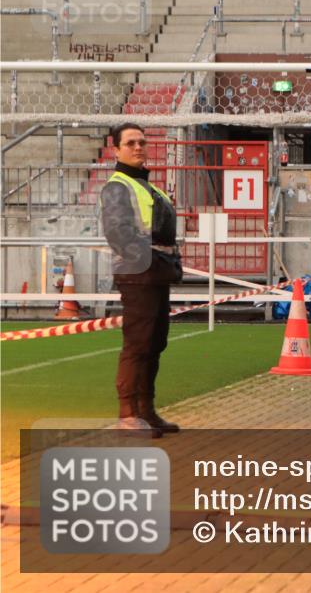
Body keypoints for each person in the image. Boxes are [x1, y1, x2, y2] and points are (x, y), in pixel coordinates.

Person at [100, 123, 182, 437]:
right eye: (131, 143)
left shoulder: (148, 186)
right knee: (138, 345)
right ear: (116, 149)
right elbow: (118, 233)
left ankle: (146, 411)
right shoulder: (118, 186)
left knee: (154, 343)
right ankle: (129, 414)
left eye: (142, 142)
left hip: (153, 272)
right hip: (139, 275)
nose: (138, 147)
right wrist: (148, 260)